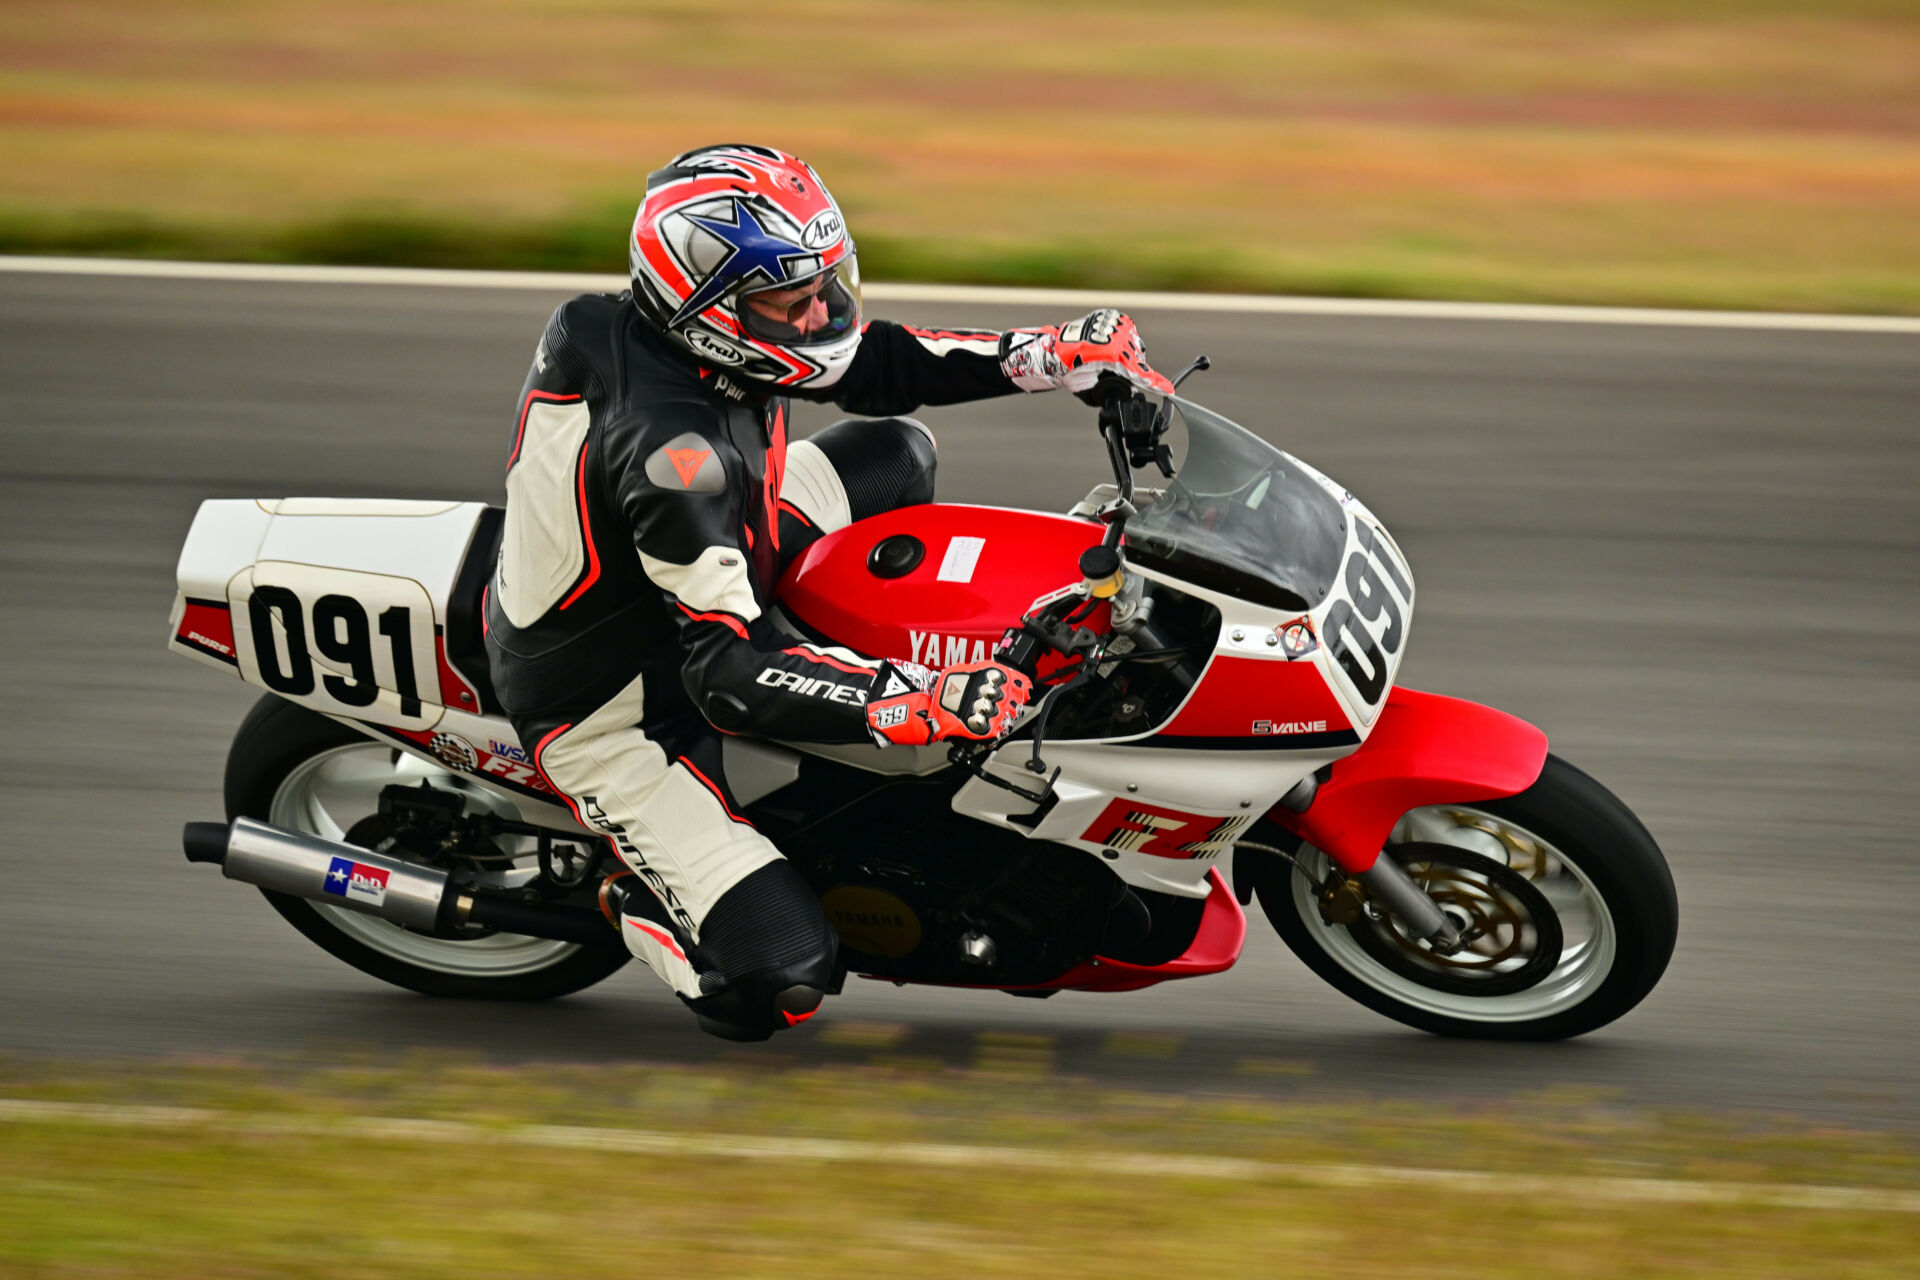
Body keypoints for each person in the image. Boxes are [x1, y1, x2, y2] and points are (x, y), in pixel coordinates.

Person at [484, 143, 1172, 1040]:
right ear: (710, 314)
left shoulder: (633, 326)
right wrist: (911, 699)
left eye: (825, 280)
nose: (822, 310)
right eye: (791, 297)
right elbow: (727, 673)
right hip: (620, 705)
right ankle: (626, 892)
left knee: (894, 449)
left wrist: (1053, 357)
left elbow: (875, 367)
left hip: (719, 547)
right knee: (776, 982)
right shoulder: (674, 461)